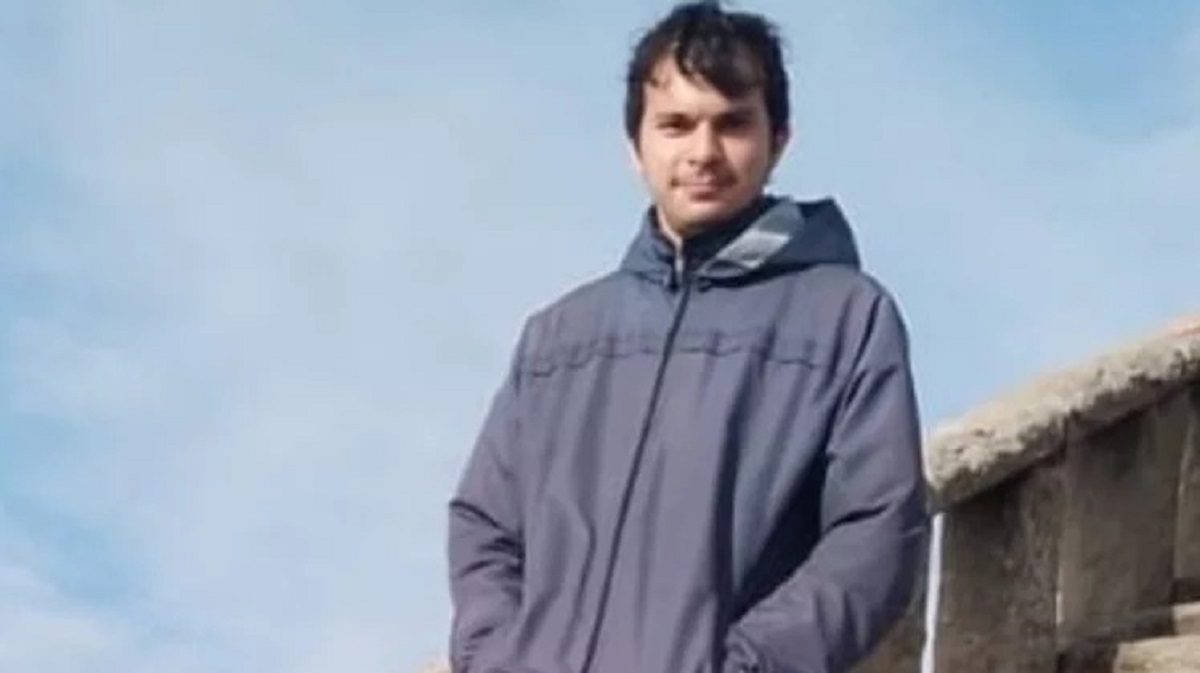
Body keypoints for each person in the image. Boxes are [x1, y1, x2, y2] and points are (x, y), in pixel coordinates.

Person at [445, 2, 930, 672]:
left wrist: (744, 664)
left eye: (732, 124)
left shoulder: (846, 318)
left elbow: (875, 535)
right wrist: (500, 657)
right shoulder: (558, 338)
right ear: (635, 146)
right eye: (675, 125)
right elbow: (486, 525)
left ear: (778, 137)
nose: (703, 152)